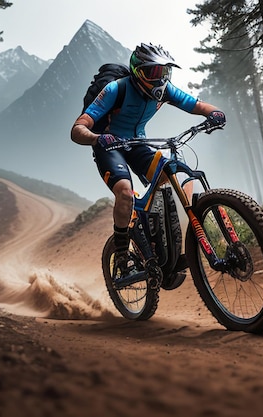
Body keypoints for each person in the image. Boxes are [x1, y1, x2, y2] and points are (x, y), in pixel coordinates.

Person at [70, 43, 226, 280]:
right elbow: (78, 128)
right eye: (153, 72)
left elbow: (196, 105)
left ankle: (163, 243)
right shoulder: (115, 89)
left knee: (173, 178)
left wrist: (214, 113)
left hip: (138, 144)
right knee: (124, 192)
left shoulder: (165, 91)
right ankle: (122, 252)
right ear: (137, 71)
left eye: (164, 72)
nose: (160, 79)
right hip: (109, 146)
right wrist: (97, 138)